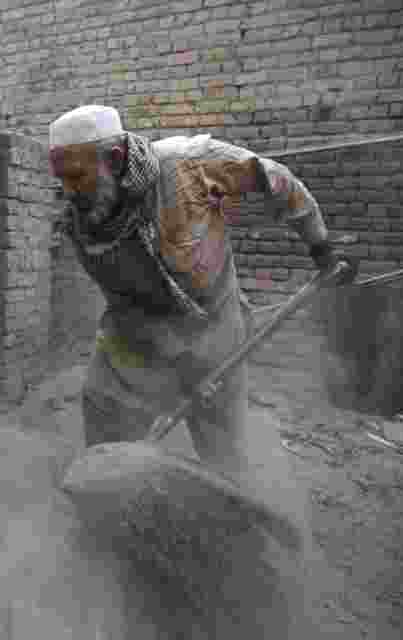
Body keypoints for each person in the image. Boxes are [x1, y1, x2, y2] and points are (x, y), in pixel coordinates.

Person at [48, 104, 352, 463]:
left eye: (77, 176)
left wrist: (320, 247)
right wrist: (165, 367)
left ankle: (230, 509)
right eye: (61, 179)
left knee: (223, 454)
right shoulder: (82, 222)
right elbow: (121, 300)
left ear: (114, 159)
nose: (68, 191)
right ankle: (109, 509)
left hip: (215, 337)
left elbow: (274, 179)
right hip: (134, 339)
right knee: (104, 425)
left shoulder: (188, 164)